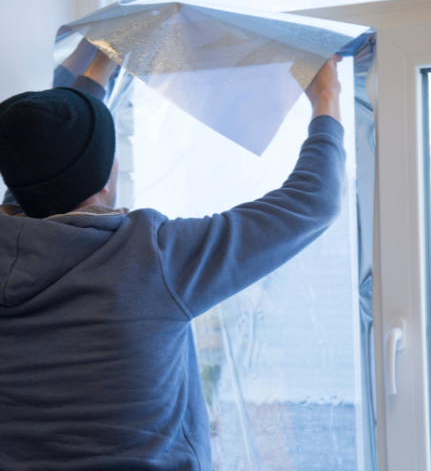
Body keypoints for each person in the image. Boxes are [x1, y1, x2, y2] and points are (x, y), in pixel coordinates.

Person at [0, 47, 345, 470]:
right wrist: (326, 95)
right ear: (110, 172)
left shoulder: (16, 233)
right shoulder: (152, 258)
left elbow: (35, 161)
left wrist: (99, 66)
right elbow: (312, 202)